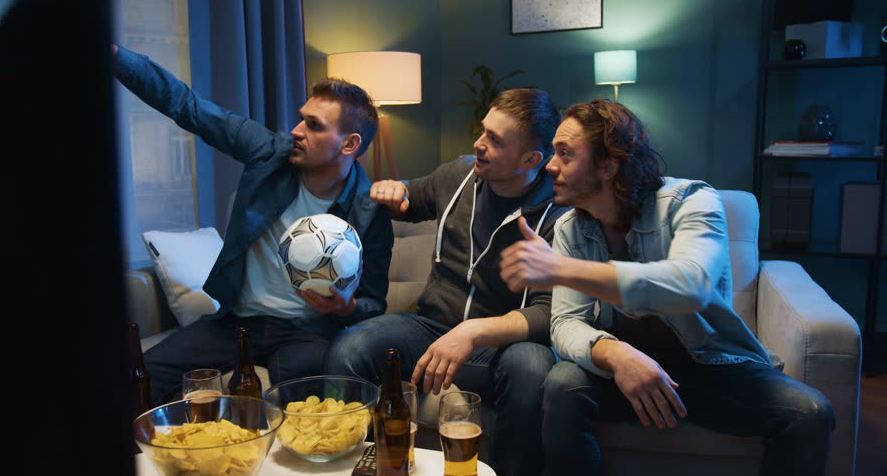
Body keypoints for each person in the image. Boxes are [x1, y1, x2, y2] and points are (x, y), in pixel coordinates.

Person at [498, 99, 836, 475]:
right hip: (623, 373)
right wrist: (615, 354)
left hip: (712, 369)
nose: (550, 165)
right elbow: (564, 323)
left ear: (608, 166)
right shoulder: (570, 228)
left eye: (565, 154)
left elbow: (691, 285)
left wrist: (562, 269)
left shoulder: (691, 202)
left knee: (810, 413)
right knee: (562, 383)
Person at [112, 45, 393, 406]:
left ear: (349, 144)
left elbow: (374, 302)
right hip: (236, 322)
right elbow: (189, 107)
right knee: (135, 381)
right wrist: (117, 57)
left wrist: (345, 308)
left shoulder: (371, 209)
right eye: (301, 118)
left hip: (306, 332)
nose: (295, 131)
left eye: (313, 125)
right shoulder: (269, 152)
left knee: (296, 414)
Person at [325, 88, 567, 476]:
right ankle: (361, 467)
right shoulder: (460, 173)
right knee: (352, 345)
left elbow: (546, 314)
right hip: (431, 328)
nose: (479, 144)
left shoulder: (558, 215)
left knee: (533, 366)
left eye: (494, 140)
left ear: (531, 159)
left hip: (502, 347)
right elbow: (412, 197)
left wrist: (472, 332)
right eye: (483, 131)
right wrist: (396, 190)